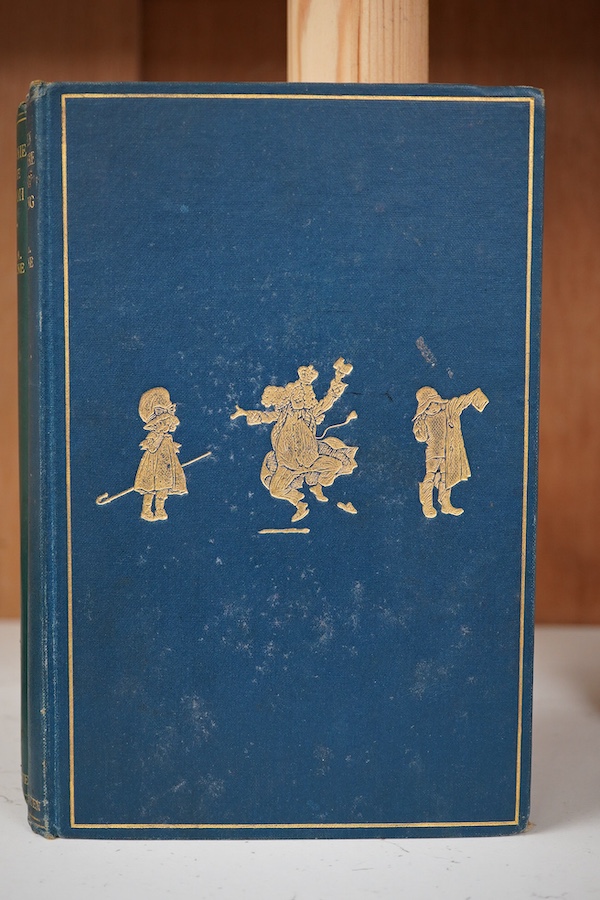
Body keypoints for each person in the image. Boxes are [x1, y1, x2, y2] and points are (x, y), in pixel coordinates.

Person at [233, 359, 358, 522]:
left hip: (308, 459)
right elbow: (266, 416)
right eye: (296, 398)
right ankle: (299, 503)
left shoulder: (310, 414)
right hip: (287, 463)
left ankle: (317, 486)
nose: (299, 400)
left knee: (336, 465)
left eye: (302, 398)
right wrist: (244, 413)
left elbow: (328, 401)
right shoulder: (284, 413)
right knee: (275, 490)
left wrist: (338, 379)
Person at [412, 385, 488, 518]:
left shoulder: (448, 410)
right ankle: (428, 504)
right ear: (424, 408)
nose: (432, 408)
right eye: (428, 406)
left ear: (439, 401)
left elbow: (462, 401)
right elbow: (422, 438)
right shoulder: (424, 418)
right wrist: (418, 428)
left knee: (445, 477)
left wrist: (475, 397)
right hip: (433, 452)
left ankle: (445, 504)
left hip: (448, 450)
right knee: (430, 475)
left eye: (434, 403)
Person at [134, 387, 187, 521]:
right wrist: (159, 437)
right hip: (153, 469)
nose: (167, 426)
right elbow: (151, 448)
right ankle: (146, 510)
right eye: (164, 423)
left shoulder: (167, 437)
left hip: (165, 469)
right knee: (150, 490)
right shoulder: (153, 435)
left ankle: (160, 510)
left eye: (168, 423)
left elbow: (169, 451)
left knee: (163, 490)